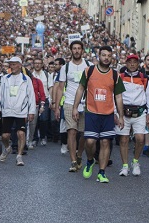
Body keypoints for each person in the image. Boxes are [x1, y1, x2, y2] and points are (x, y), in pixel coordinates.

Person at [73, 46, 125, 183]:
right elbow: (80, 90)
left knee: (105, 142)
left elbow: (118, 97)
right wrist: (75, 107)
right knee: (90, 142)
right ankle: (90, 160)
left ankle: (102, 172)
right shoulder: (89, 71)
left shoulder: (115, 75)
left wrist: (121, 116)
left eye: (109, 55)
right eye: (104, 55)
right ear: (99, 56)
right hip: (91, 112)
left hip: (108, 114)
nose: (106, 58)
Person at [53, 41, 90, 172]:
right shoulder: (65, 68)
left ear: (82, 51)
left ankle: (79, 155)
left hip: (85, 104)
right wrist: (57, 107)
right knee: (72, 131)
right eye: (74, 48)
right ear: (71, 50)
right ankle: (73, 161)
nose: (76, 51)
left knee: (84, 134)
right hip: (69, 102)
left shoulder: (89, 66)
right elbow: (60, 88)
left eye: (79, 48)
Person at [116, 54, 149, 177]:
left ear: (138, 64)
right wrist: (116, 113)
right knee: (124, 139)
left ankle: (135, 162)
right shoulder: (120, 77)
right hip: (124, 112)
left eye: (135, 62)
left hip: (140, 112)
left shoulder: (144, 78)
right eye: (130, 62)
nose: (132, 64)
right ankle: (125, 166)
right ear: (126, 64)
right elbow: (115, 95)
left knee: (140, 139)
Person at [0, 56, 36, 166]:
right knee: (5, 136)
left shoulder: (26, 79)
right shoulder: (5, 78)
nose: (11, 66)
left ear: (19, 65)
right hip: (7, 110)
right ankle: (7, 148)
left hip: (21, 110)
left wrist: (31, 111)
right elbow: (1, 95)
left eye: (13, 64)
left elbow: (31, 96)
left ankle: (19, 156)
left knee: (21, 133)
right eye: (10, 64)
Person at [32, 57, 52, 146]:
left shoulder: (47, 75)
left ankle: (43, 137)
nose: (37, 65)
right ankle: (34, 138)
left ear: (42, 65)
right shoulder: (30, 75)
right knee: (34, 120)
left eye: (39, 63)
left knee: (44, 119)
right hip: (34, 100)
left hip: (45, 99)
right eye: (35, 63)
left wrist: (52, 100)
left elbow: (50, 88)